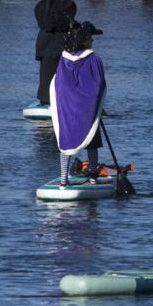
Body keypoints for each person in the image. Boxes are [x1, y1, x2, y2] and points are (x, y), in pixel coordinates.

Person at [51, 21, 106, 186]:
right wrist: (97, 105)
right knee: (93, 139)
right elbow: (98, 84)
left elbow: (59, 83)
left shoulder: (64, 59)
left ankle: (63, 179)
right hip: (87, 106)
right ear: (85, 40)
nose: (93, 41)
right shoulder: (94, 59)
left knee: (65, 138)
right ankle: (93, 176)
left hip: (67, 105)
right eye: (91, 38)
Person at [34, 0, 77, 106]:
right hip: (60, 43)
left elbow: (44, 24)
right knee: (62, 75)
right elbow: (65, 24)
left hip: (44, 42)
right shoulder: (69, 5)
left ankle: (45, 99)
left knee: (45, 73)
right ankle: (61, 100)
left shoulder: (40, 7)